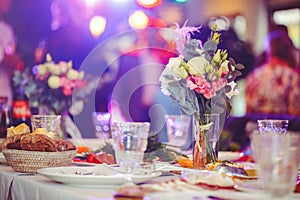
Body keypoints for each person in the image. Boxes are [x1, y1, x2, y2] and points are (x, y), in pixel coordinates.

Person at [245, 30, 300, 116]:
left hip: (257, 127)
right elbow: (295, 111)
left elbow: (248, 111)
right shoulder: (292, 77)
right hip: (284, 127)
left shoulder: (254, 76)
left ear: (268, 50)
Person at [0, 0, 21, 108]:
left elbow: (14, 63)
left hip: (4, 92)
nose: (9, 2)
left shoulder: (7, 30)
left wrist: (15, 63)